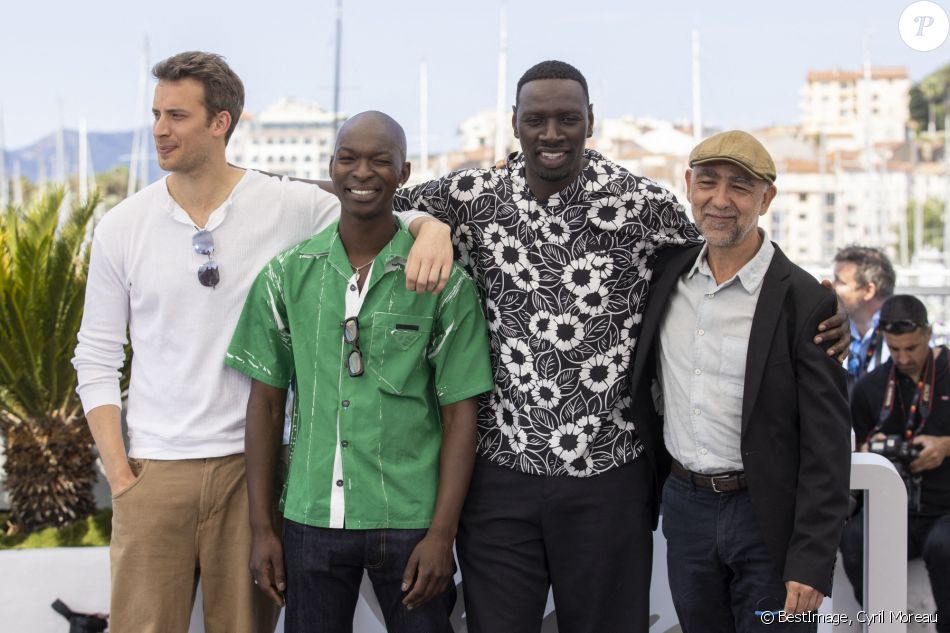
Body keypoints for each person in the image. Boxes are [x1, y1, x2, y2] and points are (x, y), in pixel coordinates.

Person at [386, 61, 851, 633]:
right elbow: (375, 196)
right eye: (536, 119)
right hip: (500, 477)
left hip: (609, 478)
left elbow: (729, 255)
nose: (551, 133)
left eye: (567, 119)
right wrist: (424, 225)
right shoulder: (470, 195)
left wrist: (827, 311)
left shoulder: (639, 204)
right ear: (514, 123)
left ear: (590, 122)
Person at [71, 52, 451, 633]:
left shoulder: (288, 205)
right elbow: (95, 355)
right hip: (153, 472)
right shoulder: (123, 225)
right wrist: (120, 476)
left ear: (221, 122)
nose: (159, 130)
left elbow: (376, 208)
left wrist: (434, 229)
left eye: (176, 115)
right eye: (155, 114)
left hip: (251, 471)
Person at [226, 111, 493, 632]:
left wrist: (442, 534)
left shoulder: (444, 284)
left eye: (380, 160)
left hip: (412, 522)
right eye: (348, 158)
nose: (362, 172)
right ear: (331, 167)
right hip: (310, 520)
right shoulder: (285, 276)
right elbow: (265, 403)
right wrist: (264, 528)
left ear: (404, 172)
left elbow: (462, 415)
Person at [629, 130, 852, 632]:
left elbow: (828, 446)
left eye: (741, 187)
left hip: (768, 514)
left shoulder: (804, 301)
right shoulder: (664, 273)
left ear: (766, 198)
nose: (721, 200)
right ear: (688, 185)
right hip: (685, 508)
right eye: (708, 183)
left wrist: (812, 561)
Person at [840, 295, 950, 632]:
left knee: (944, 547)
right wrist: (872, 453)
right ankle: (881, 622)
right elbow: (856, 456)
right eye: (895, 349)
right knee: (854, 541)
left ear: (929, 334)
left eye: (912, 348)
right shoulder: (871, 388)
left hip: (945, 508)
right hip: (891, 509)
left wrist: (946, 446)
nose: (904, 358)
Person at [832, 246, 896, 384]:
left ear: (868, 291)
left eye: (840, 282)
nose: (832, 286)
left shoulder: (902, 334)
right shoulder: (833, 329)